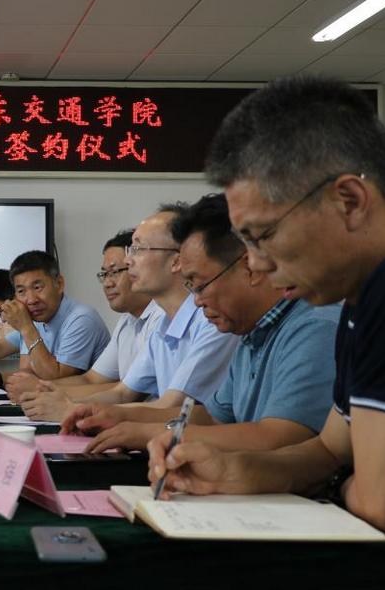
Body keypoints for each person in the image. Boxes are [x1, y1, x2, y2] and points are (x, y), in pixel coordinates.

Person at [148, 75, 385, 546]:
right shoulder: (363, 294)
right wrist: (237, 470)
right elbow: (328, 450)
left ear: (349, 200)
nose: (257, 264)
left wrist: (338, 487)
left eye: (263, 237)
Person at [75, 193, 338, 454]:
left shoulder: (314, 328)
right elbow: (212, 417)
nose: (197, 301)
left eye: (200, 285)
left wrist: (150, 433)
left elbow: (279, 437)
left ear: (250, 267)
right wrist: (120, 417)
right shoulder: (250, 332)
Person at [58, 205, 239, 421]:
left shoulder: (211, 320)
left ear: (176, 261)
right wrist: (68, 406)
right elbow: (123, 393)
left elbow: (172, 406)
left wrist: (74, 410)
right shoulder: (163, 323)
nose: (128, 261)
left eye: (138, 249)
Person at [15, 229, 162, 419]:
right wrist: (45, 392)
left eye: (114, 272)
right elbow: (91, 379)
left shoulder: (161, 318)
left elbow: (126, 393)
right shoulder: (127, 320)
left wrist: (52, 396)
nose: (107, 283)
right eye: (104, 274)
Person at [0, 251, 110, 388]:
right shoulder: (38, 319)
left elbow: (55, 379)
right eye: (22, 291)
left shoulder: (81, 319)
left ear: (59, 284)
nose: (31, 300)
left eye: (37, 287)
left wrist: (26, 327)